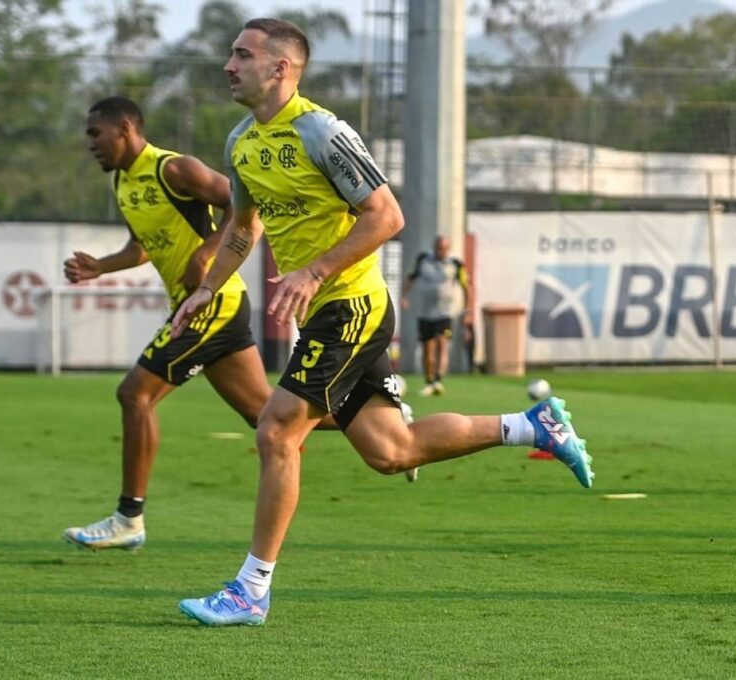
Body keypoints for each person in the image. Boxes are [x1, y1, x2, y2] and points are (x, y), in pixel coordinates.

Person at [170, 18, 594, 627]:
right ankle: (532, 427)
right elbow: (242, 228)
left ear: (280, 68)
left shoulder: (321, 131)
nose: (228, 65)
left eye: (242, 54)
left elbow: (387, 216)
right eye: (231, 54)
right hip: (326, 311)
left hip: (352, 306)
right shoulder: (241, 142)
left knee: (275, 430)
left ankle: (250, 591)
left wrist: (314, 271)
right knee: (391, 451)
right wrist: (207, 288)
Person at [61, 95, 304, 552]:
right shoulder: (123, 183)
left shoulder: (174, 169)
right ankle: (374, 415)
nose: (90, 143)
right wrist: (102, 266)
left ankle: (128, 518)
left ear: (126, 128)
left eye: (96, 133)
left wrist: (206, 254)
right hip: (201, 307)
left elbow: (244, 208)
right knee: (268, 416)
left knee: (134, 394)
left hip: (212, 302)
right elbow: (143, 246)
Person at [400, 235, 471, 396]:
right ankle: (429, 381)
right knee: (428, 348)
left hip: (445, 312)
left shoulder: (456, 263)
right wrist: (404, 296)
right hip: (425, 312)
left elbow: (467, 286)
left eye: (444, 249)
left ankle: (438, 381)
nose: (441, 251)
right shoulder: (423, 259)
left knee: (442, 344)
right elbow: (410, 277)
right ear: (434, 247)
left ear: (448, 248)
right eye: (438, 248)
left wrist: (467, 310)